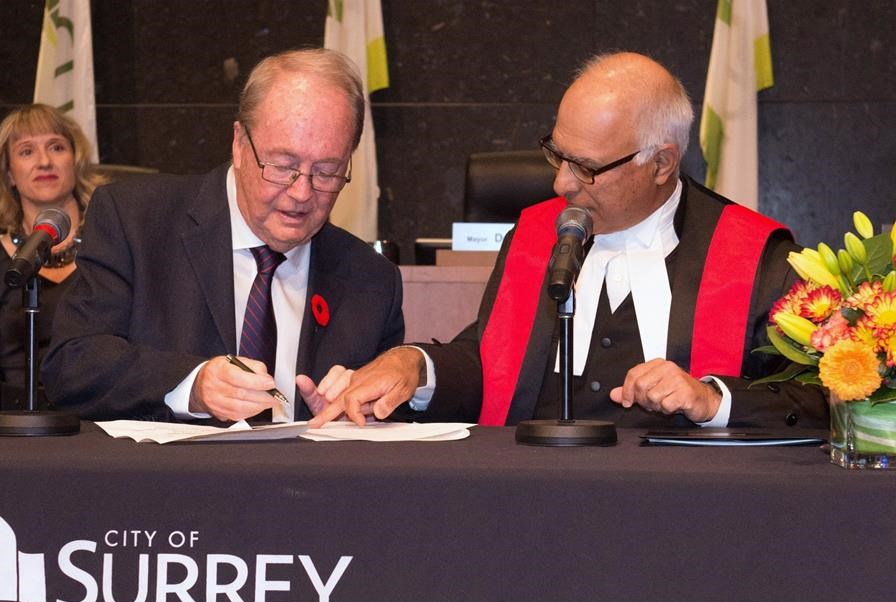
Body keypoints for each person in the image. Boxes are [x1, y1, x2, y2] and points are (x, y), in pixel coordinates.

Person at [314, 52, 828, 430]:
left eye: (585, 167)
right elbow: (490, 362)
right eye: (556, 155)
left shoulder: (754, 255)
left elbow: (820, 398)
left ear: (661, 163)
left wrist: (712, 399)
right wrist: (415, 365)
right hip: (533, 507)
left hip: (688, 516)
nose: (562, 183)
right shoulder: (537, 235)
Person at [41, 48, 404, 422]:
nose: (302, 193)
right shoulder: (137, 222)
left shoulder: (372, 282)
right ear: (240, 145)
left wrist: (360, 415)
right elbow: (72, 364)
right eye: (283, 166)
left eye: (327, 171)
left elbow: (392, 423)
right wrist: (191, 386)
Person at [0, 104, 105, 416]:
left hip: (103, 427)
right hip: (18, 431)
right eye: (27, 151)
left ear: (76, 162)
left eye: (56, 147)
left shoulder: (113, 250)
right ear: (9, 173)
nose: (44, 161)